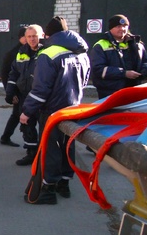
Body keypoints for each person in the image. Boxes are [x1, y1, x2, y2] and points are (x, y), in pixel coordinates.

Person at [20, 16, 90, 204]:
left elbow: (41, 88)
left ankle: (48, 189)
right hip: (74, 108)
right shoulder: (81, 51)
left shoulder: (48, 53)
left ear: (48, 34)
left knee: (51, 149)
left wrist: (27, 111)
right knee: (69, 146)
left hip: (52, 111)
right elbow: (84, 81)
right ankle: (64, 184)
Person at [5, 25, 44, 165]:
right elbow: (14, 73)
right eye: (29, 36)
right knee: (27, 125)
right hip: (24, 96)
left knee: (44, 126)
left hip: (42, 97)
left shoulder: (46, 52)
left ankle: (44, 155)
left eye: (35, 36)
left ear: (42, 36)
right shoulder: (21, 52)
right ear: (25, 38)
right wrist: (10, 91)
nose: (32, 39)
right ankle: (31, 153)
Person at [90, 14, 147, 99]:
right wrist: (124, 73)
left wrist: (144, 70)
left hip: (135, 90)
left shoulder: (137, 44)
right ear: (111, 28)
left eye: (125, 26)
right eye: (118, 26)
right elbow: (98, 69)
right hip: (110, 92)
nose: (122, 29)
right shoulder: (101, 45)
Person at [0, 27, 27, 147]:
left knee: (17, 114)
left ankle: (5, 137)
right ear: (21, 37)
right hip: (17, 90)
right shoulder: (13, 53)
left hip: (26, 89)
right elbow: (5, 75)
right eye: (26, 36)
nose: (30, 39)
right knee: (18, 113)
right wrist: (10, 93)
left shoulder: (31, 50)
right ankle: (6, 137)